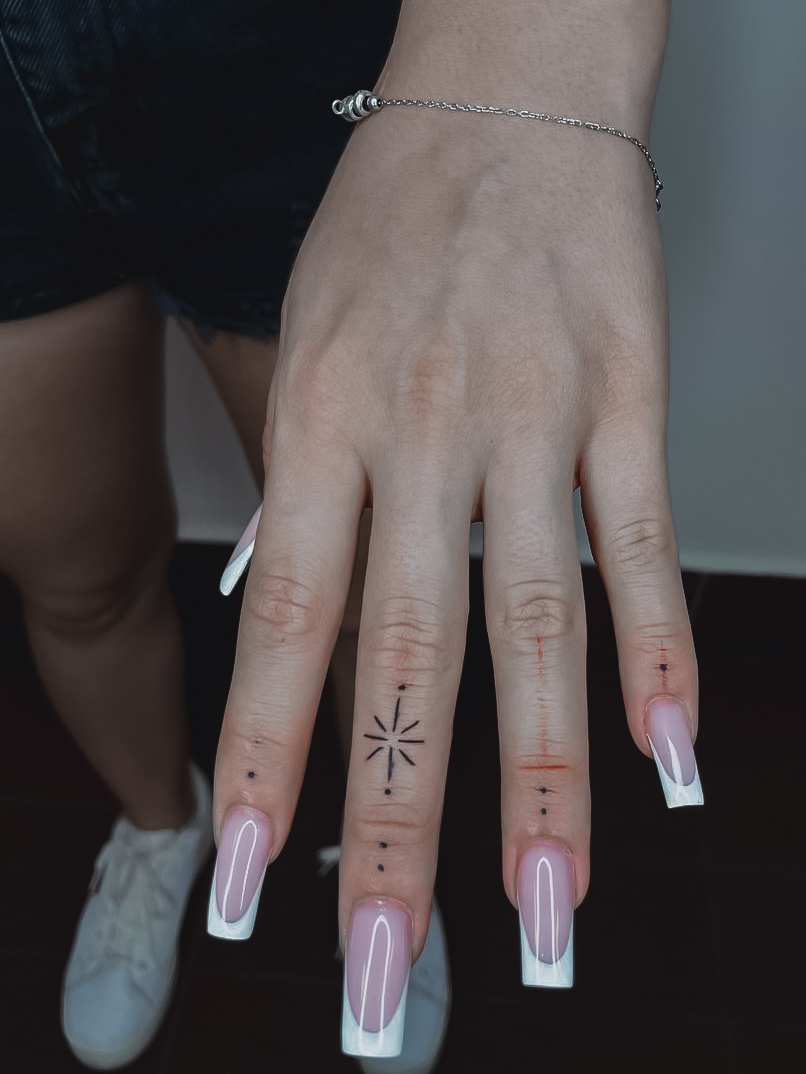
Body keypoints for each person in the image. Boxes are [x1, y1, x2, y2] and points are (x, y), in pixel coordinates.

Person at [0, 0, 702, 1070]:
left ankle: (377, 866)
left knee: (359, 601)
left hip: (271, 56)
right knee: (71, 581)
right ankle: (160, 824)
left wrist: (534, 50)